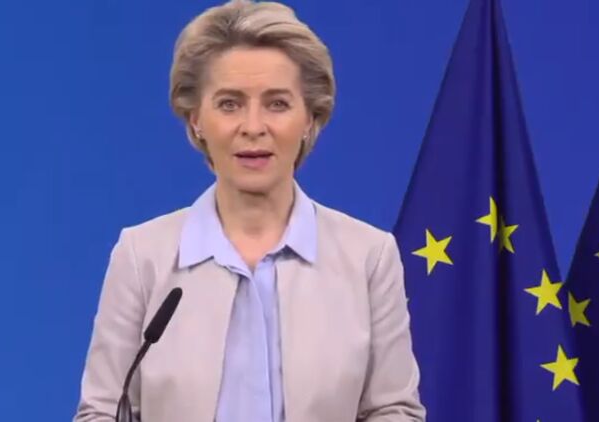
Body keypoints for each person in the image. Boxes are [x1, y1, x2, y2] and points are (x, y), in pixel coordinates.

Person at [74, 1, 425, 420]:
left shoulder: (368, 257)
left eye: (277, 104)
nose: (253, 127)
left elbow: (394, 410)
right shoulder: (141, 256)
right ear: (196, 120)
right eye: (229, 104)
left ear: (309, 119)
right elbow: (101, 412)